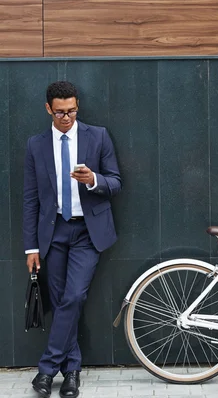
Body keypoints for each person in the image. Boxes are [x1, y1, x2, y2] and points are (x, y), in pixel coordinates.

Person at [23, 81, 122, 398]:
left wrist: (93, 180)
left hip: (87, 232)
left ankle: (47, 369)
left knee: (74, 297)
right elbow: (30, 199)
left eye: (72, 111)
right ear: (48, 109)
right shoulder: (36, 145)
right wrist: (31, 247)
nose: (67, 117)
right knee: (61, 303)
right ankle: (72, 373)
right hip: (52, 234)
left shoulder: (98, 136)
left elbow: (116, 182)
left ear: (77, 107)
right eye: (60, 112)